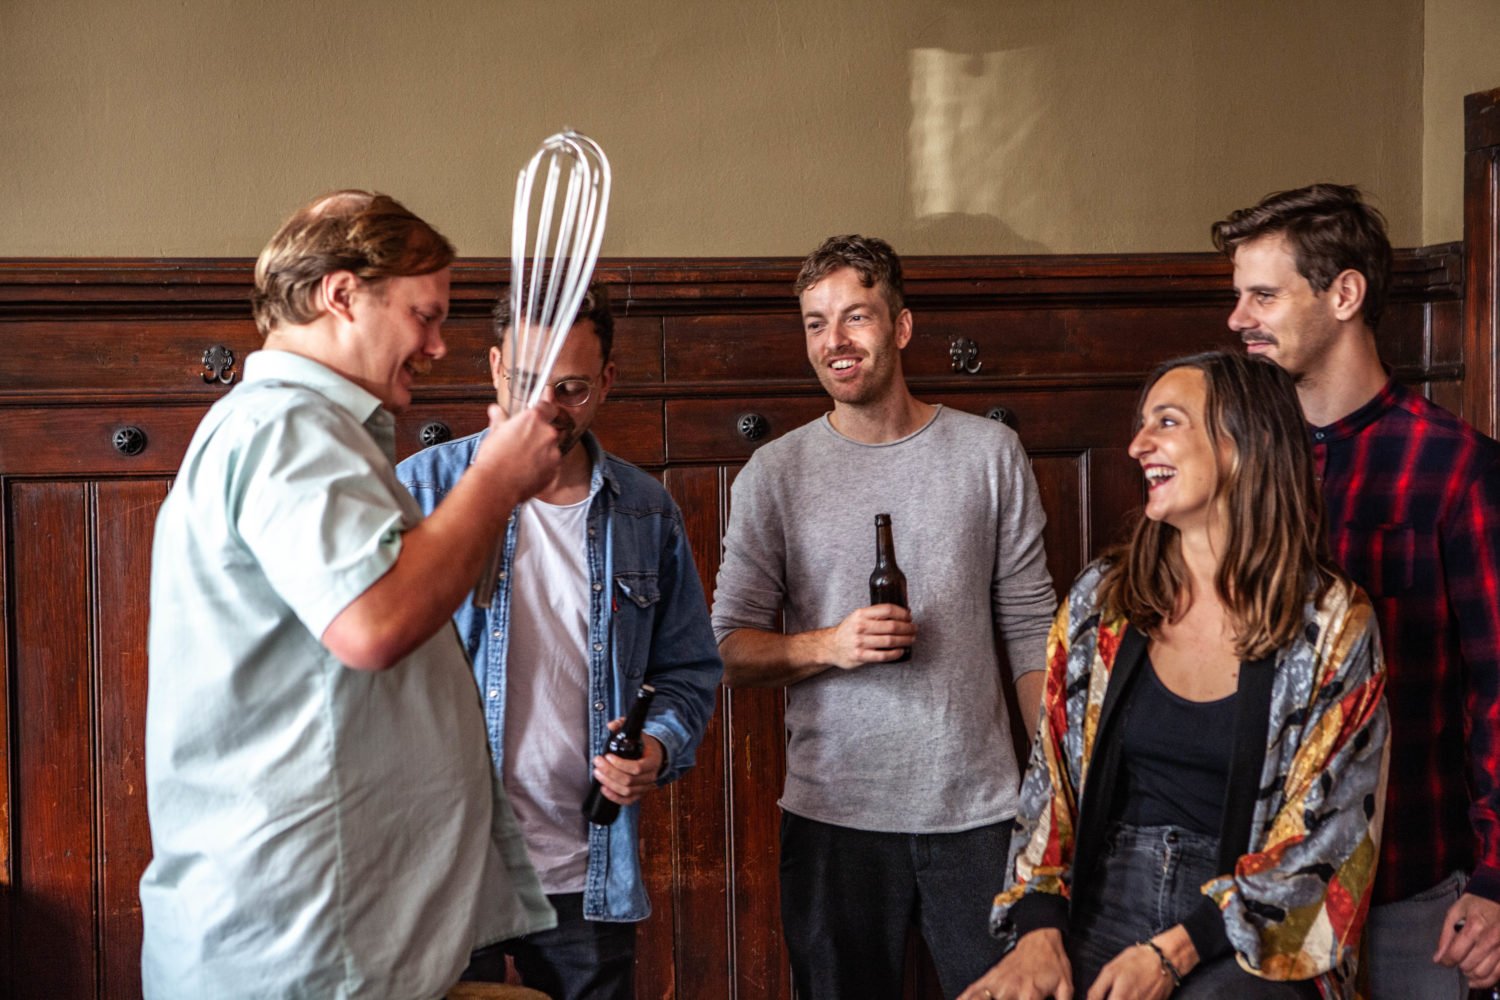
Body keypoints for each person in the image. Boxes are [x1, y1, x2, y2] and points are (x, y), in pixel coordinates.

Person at [140, 191, 562, 999]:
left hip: (339, 936)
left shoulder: (312, 431)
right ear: (342, 295)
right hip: (299, 944)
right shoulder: (285, 427)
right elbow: (373, 622)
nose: (439, 347)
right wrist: (495, 480)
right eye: (425, 316)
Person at [964, 351, 1388, 1000]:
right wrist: (1039, 928)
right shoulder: (1101, 604)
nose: (1137, 445)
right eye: (1141, 425)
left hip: (1246, 929)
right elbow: (1050, 782)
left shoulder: (1331, 626)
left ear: (1243, 444)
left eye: (1167, 421)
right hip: (1105, 893)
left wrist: (1178, 949)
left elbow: (1327, 842)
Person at [711, 234, 1058, 998]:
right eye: (815, 322)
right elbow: (726, 652)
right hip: (834, 816)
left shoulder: (989, 453)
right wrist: (830, 645)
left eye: (855, 317)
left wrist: (1051, 789)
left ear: (900, 327)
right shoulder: (774, 473)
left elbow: (1034, 630)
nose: (834, 341)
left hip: (980, 812)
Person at [397, 282, 722, 1000]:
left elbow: (690, 669)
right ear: (491, 369)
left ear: (606, 383)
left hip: (586, 870)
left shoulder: (646, 510)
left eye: (571, 388)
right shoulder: (418, 491)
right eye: (525, 384)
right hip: (443, 868)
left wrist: (658, 746)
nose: (545, 409)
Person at [1214, 183, 1500, 998]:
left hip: (1410, 892)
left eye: (1262, 294)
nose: (1237, 317)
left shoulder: (1457, 468)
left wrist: (1497, 881)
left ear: (1344, 294)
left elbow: (1499, 689)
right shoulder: (1236, 470)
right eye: (1236, 295)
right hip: (1257, 895)